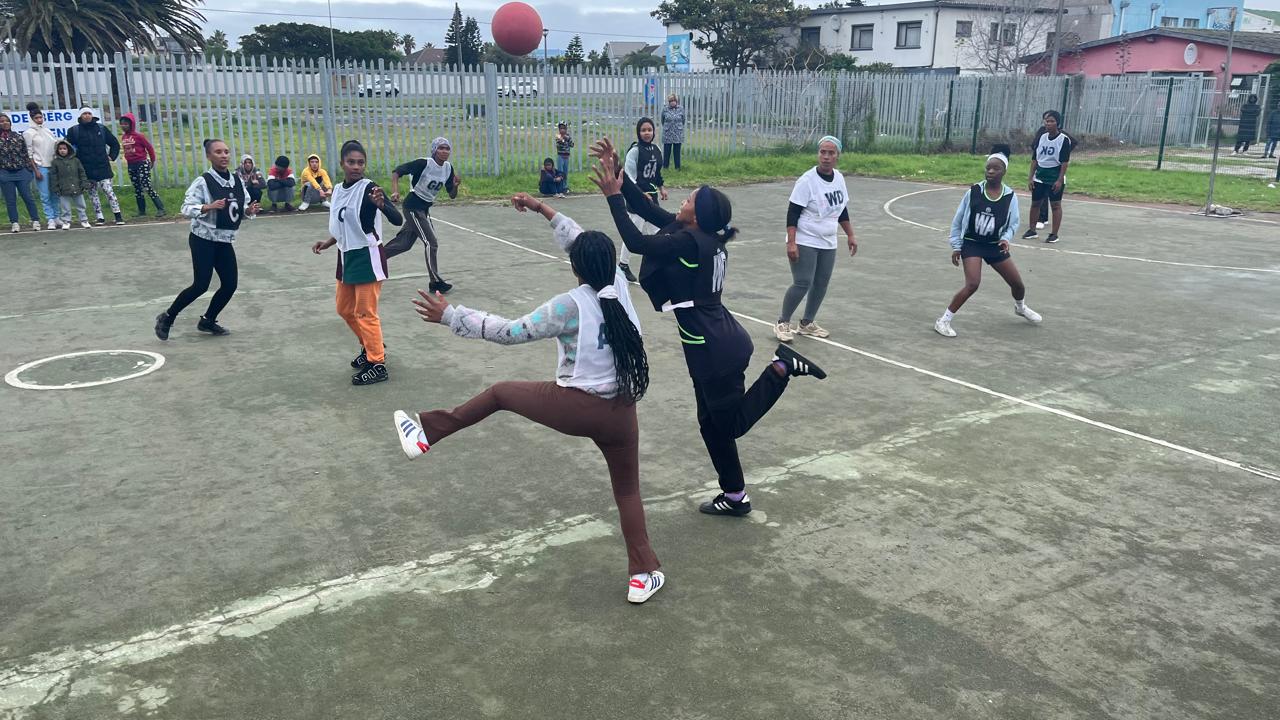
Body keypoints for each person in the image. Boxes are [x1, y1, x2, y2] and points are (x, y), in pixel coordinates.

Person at [392, 193, 665, 604]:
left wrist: (451, 315)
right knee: (627, 491)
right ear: (609, 262)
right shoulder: (621, 285)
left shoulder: (568, 306)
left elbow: (510, 332)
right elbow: (580, 241)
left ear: (575, 266)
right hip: (623, 410)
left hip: (578, 406)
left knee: (501, 392)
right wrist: (542, 209)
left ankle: (426, 433)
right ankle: (643, 574)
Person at [589, 137, 827, 517]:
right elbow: (645, 209)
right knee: (710, 426)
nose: (682, 201)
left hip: (716, 351)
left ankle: (782, 368)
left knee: (728, 425)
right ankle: (735, 496)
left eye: (689, 199)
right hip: (712, 343)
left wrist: (611, 197)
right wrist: (618, 170)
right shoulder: (696, 236)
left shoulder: (688, 242)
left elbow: (634, 240)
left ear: (697, 215)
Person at [311, 140, 404, 386]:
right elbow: (344, 224)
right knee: (344, 309)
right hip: (346, 255)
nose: (356, 166)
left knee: (365, 313)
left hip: (367, 256)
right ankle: (371, 344)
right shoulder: (339, 190)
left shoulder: (370, 188)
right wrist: (329, 243)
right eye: (351, 162)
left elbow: (397, 219)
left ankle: (377, 363)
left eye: (360, 162)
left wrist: (383, 206)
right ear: (342, 163)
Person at [154, 139, 259, 341]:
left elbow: (239, 208)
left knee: (230, 284)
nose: (224, 155)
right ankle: (167, 317)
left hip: (224, 240)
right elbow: (186, 208)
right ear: (209, 156)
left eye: (226, 152)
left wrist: (249, 210)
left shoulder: (237, 180)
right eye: (218, 152)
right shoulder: (203, 181)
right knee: (201, 284)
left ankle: (208, 320)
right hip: (203, 239)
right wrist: (207, 207)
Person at [935, 145, 1042, 339]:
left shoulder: (1009, 196)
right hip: (972, 242)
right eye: (988, 168)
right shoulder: (974, 191)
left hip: (994, 245)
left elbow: (1013, 223)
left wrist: (1005, 238)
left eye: (996, 168)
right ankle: (943, 320)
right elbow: (958, 221)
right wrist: (956, 245)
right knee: (973, 283)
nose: (990, 171)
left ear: (1004, 172)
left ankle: (1020, 307)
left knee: (1017, 284)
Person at [775, 136, 857, 343]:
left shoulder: (839, 178)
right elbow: (792, 213)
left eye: (831, 153)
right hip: (805, 238)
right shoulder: (807, 181)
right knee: (803, 282)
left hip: (828, 240)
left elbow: (842, 209)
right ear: (818, 154)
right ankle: (782, 322)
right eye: (823, 152)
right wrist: (791, 243)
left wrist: (850, 235)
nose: (826, 157)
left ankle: (806, 323)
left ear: (838, 156)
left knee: (821, 283)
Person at [386, 137, 460, 294]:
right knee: (431, 243)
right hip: (412, 206)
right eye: (441, 148)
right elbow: (397, 172)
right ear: (434, 150)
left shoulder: (448, 168)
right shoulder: (423, 163)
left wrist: (455, 186)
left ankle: (373, 259)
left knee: (404, 244)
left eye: (447, 148)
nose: (445, 151)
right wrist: (395, 191)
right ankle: (435, 282)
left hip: (424, 209)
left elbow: (452, 195)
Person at [618, 117, 667, 283]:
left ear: (654, 132)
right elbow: (629, 176)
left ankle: (659, 264)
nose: (647, 133)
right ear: (638, 133)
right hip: (637, 198)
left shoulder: (657, 149)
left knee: (656, 232)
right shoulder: (635, 151)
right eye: (643, 130)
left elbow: (656, 173)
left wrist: (661, 188)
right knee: (634, 232)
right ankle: (623, 265)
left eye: (649, 130)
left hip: (651, 197)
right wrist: (639, 194)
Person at [64, 107, 124, 226]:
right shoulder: (74, 131)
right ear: (80, 116)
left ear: (93, 115)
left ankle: (118, 216)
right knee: (92, 193)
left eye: (89, 113)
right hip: (86, 168)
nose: (87, 116)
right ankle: (99, 217)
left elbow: (114, 143)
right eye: (84, 114)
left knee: (108, 190)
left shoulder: (101, 128)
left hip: (103, 167)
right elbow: (68, 149)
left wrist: (112, 156)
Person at [1022, 110, 1072, 244]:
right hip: (1040, 176)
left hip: (1054, 176)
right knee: (1035, 203)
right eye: (1046, 121)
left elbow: (1064, 162)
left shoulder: (1063, 140)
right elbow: (1034, 159)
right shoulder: (1041, 137)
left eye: (1051, 121)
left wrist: (1060, 179)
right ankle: (1032, 230)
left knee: (1055, 205)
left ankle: (1054, 234)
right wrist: (1030, 177)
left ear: (1057, 123)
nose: (1048, 123)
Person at [0, 113, 42, 233]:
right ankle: (15, 223)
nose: (5, 123)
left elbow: (26, 154)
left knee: (28, 197)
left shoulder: (18, 137)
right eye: (2, 121)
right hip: (5, 173)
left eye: (7, 121)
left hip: (21, 171)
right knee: (10, 199)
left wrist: (28, 170)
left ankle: (35, 220)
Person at [119, 112, 166, 218]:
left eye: (126, 124)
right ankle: (141, 211)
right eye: (122, 124)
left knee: (147, 186)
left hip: (142, 163)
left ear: (131, 124)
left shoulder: (139, 136)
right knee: (137, 188)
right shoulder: (124, 137)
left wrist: (152, 160)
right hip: (131, 165)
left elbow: (149, 148)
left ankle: (161, 208)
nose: (123, 126)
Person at [22, 103, 59, 230]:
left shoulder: (47, 131)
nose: (39, 120)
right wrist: (36, 170)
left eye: (41, 117)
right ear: (31, 119)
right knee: (45, 195)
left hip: (52, 166)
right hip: (40, 167)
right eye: (36, 118)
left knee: (55, 193)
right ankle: (50, 219)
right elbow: (29, 153)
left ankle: (56, 216)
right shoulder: (29, 133)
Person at [50, 140, 92, 229]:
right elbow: (54, 176)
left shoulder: (76, 161)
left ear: (69, 149)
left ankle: (84, 220)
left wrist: (84, 183)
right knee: (65, 207)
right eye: (60, 149)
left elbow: (82, 173)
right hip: (63, 188)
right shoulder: (55, 162)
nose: (62, 150)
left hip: (77, 187)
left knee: (81, 205)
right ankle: (66, 221)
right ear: (57, 150)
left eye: (64, 149)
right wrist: (56, 188)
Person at [660, 93, 686, 171]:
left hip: (678, 134)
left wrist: (678, 127)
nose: (672, 102)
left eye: (674, 100)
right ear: (668, 101)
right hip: (667, 133)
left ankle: (677, 168)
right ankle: (665, 167)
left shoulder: (681, 109)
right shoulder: (665, 109)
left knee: (677, 152)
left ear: (676, 101)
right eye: (671, 101)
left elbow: (683, 120)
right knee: (667, 152)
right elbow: (662, 120)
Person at [554, 122, 573, 194]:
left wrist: (567, 139)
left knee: (565, 172)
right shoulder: (558, 136)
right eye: (561, 128)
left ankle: (565, 186)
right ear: (559, 129)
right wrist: (564, 139)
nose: (562, 130)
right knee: (560, 172)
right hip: (560, 156)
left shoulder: (568, 136)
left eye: (564, 128)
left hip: (566, 157)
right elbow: (560, 143)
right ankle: (560, 187)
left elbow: (572, 145)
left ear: (566, 129)